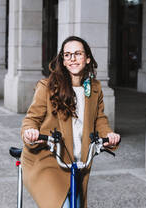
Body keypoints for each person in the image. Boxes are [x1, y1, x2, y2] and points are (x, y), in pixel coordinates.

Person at [20, 36, 120, 208]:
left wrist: (108, 135)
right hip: (48, 159)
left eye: (77, 54)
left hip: (79, 161)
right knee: (64, 205)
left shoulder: (94, 88)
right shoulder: (47, 86)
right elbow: (32, 118)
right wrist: (30, 132)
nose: (72, 59)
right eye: (67, 55)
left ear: (87, 58)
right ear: (63, 61)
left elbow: (99, 119)